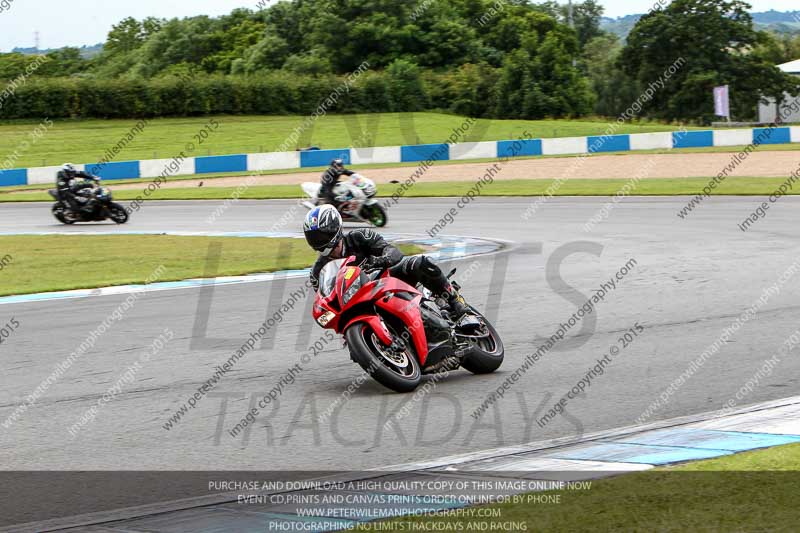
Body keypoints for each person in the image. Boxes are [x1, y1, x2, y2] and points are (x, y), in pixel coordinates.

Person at [304, 205, 469, 320]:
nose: (319, 241)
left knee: (418, 263)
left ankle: (454, 301)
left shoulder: (360, 237)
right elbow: (326, 300)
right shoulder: (318, 272)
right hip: (361, 303)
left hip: (387, 282)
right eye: (314, 238)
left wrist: (380, 260)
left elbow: (393, 252)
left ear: (334, 228)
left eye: (321, 236)